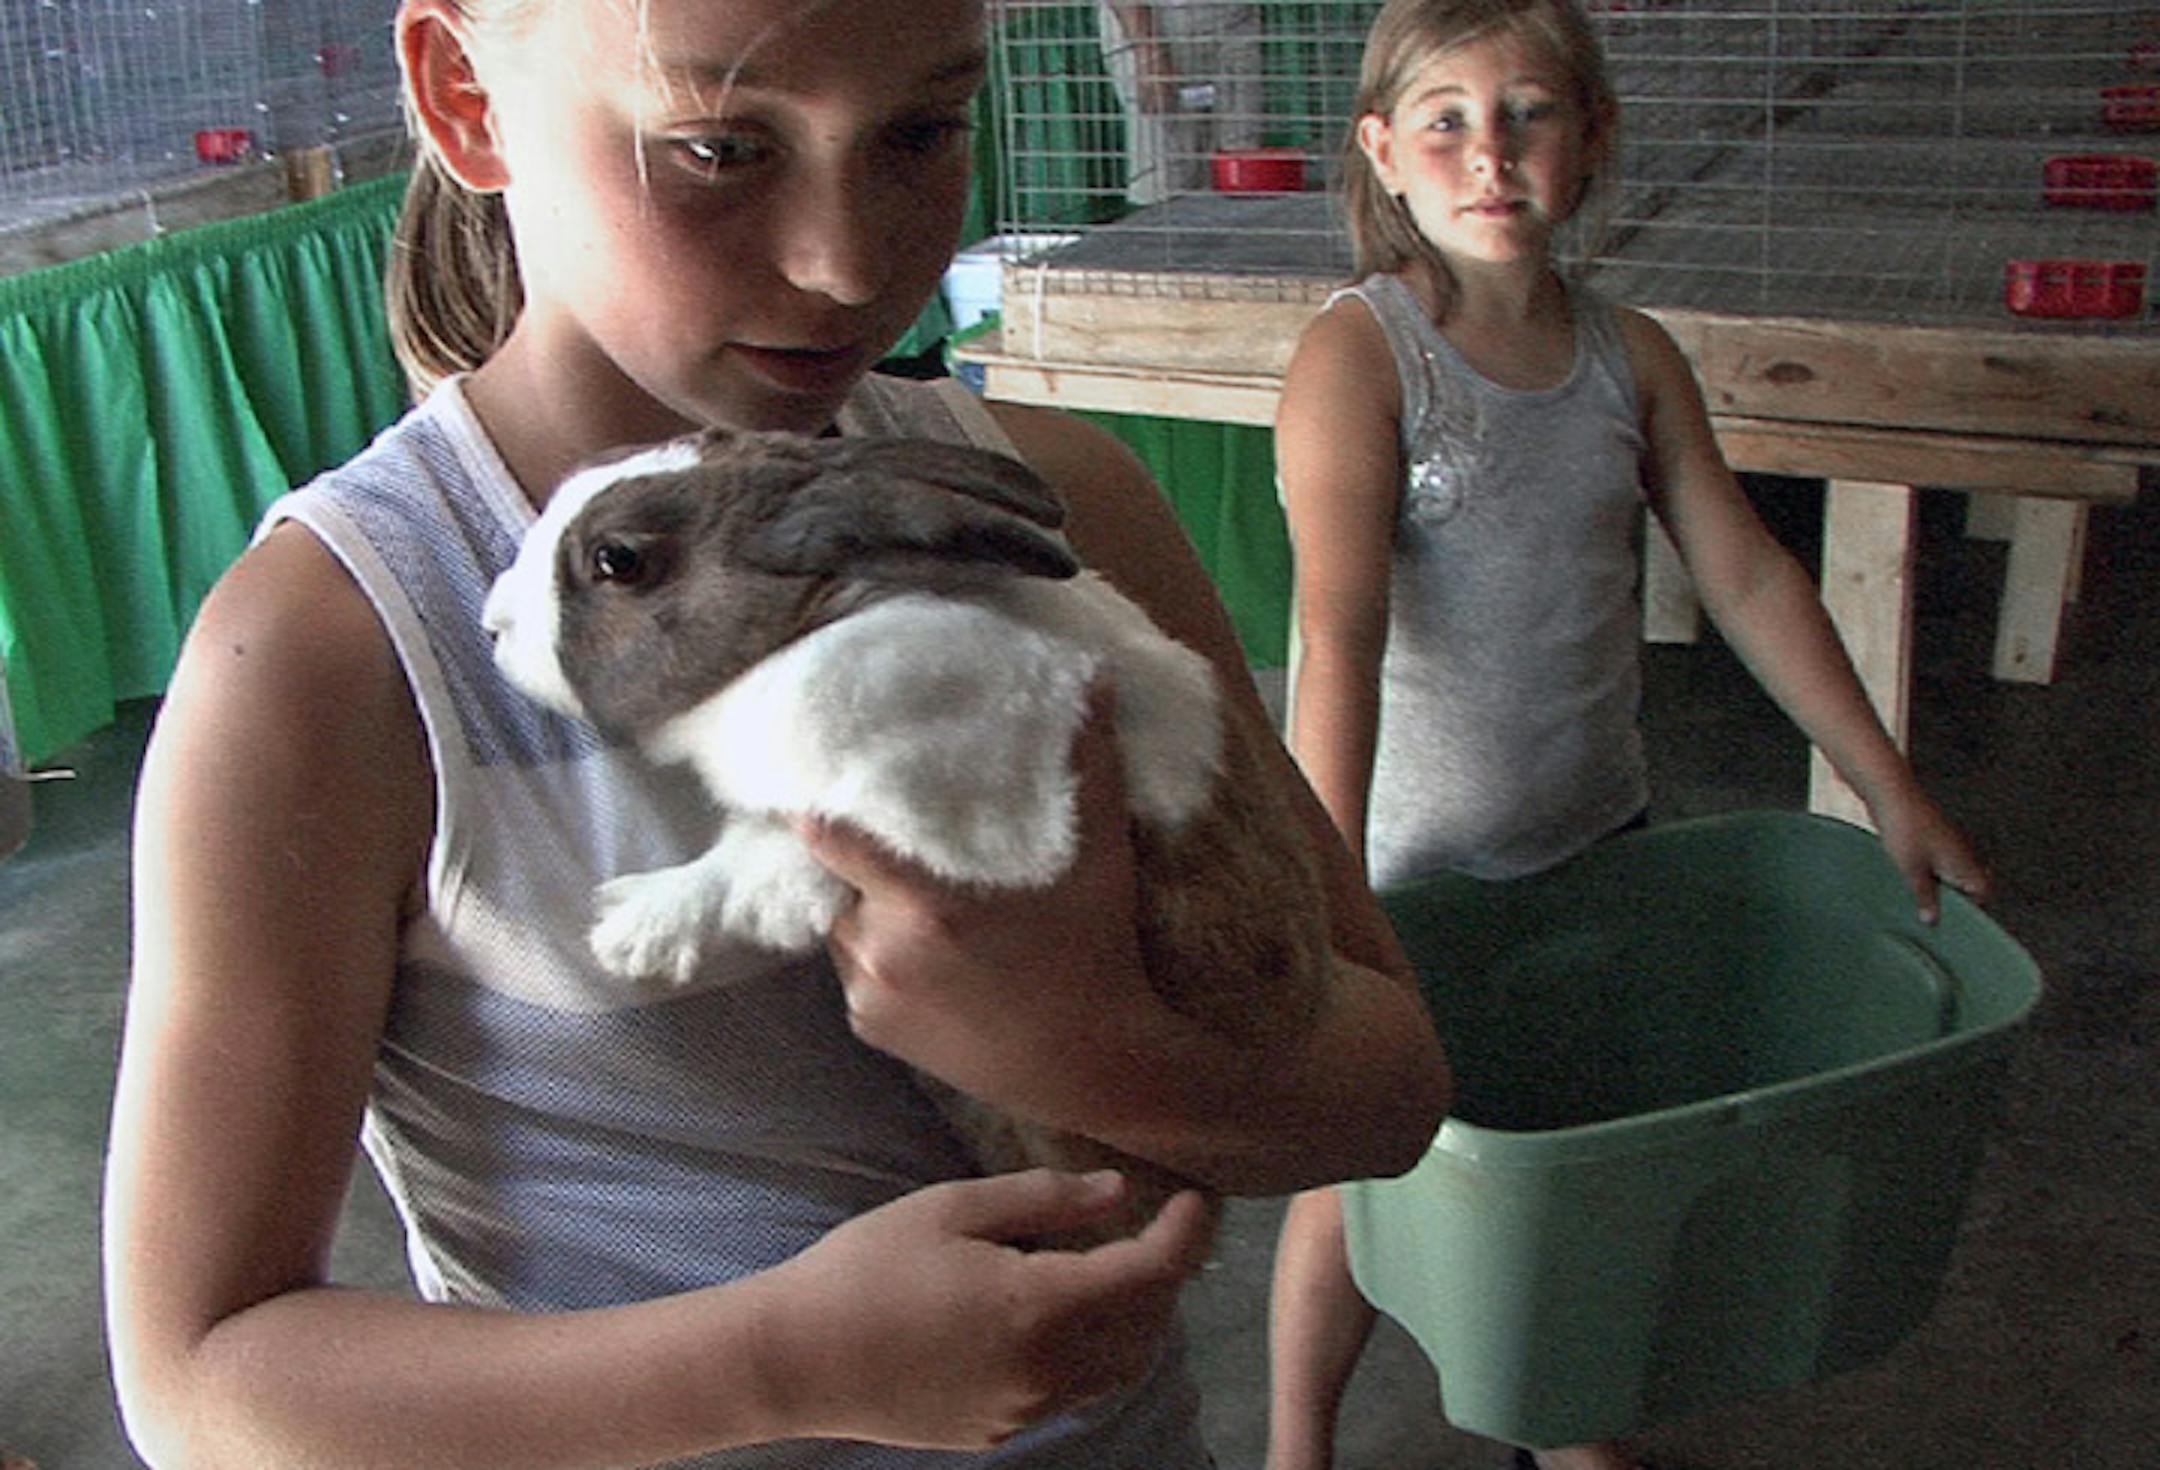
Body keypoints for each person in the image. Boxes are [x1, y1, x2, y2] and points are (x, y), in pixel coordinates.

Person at [98, 2, 1452, 1466]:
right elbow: (198, 1381)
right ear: (464, 97)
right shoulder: (336, 657)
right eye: (719, 147)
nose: (847, 263)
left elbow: (1390, 1092)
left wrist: (1093, 1038)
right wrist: (772, 1366)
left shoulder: (1055, 514)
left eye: (922, 132)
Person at [1263, 4, 1993, 1470]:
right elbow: (1333, 635)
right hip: (1407, 866)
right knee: (1360, 1169)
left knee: (1584, 1152)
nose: (1492, 153)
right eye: (1449, 119)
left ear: (1592, 137)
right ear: (1384, 153)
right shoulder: (1362, 360)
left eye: (1530, 112)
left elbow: (1749, 573)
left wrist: (1886, 786)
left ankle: (1572, 1415)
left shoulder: (1627, 357)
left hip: (1596, 838)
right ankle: (1296, 1444)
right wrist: (1331, 897)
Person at [1096, 1, 1266, 203]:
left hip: (1234, 21)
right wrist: (1148, 54)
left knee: (1239, 157)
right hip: (1158, 26)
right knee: (1169, 170)